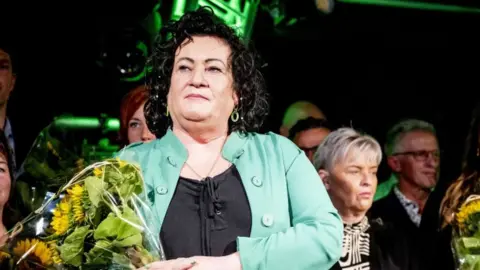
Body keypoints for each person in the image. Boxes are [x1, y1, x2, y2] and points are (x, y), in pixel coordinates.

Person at [116, 7, 343, 270]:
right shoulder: (128, 164)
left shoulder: (279, 155)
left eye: (213, 69)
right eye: (184, 68)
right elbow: (95, 256)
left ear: (237, 94)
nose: (197, 79)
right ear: (166, 90)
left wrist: (235, 263)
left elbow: (326, 236)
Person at [313, 128, 420, 270]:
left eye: (373, 172)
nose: (367, 180)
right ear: (325, 180)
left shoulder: (395, 239)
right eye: (355, 171)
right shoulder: (307, 241)